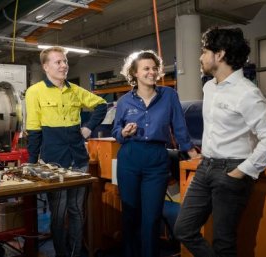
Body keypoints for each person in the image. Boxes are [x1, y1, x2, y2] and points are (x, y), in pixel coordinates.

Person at [173, 27, 266, 257]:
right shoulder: (209, 87)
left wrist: (242, 171)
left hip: (232, 171)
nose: (200, 57)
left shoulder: (247, 92)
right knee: (184, 229)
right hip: (206, 167)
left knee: (224, 243)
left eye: (204, 51)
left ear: (219, 55)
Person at [112, 50, 198, 257]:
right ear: (134, 73)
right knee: (130, 215)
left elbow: (179, 126)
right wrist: (123, 132)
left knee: (151, 217)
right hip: (130, 158)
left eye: (154, 68)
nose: (151, 72)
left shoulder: (169, 95)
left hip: (157, 159)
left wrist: (192, 152)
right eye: (146, 69)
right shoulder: (124, 101)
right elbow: (116, 131)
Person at [25, 46, 107, 257]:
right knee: (59, 213)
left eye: (65, 62)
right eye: (58, 62)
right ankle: (62, 253)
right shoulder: (35, 92)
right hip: (54, 165)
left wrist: (88, 127)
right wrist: (32, 163)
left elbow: (101, 105)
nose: (64, 66)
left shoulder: (75, 90)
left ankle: (75, 252)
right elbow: (33, 130)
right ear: (45, 67)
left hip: (78, 160)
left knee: (77, 211)